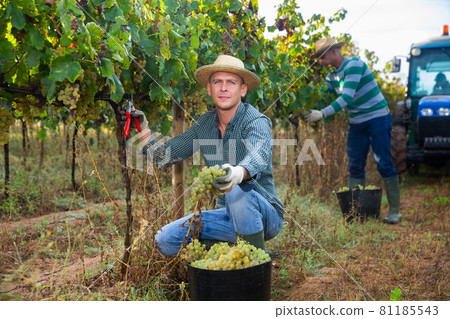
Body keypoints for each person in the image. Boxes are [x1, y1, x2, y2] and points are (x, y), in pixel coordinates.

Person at [128, 55, 284, 256]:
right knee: (165, 239)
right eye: (217, 82)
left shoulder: (255, 121)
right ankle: (225, 254)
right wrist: (142, 129)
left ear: (243, 89)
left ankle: (256, 265)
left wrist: (237, 173)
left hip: (266, 216)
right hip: (227, 214)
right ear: (209, 89)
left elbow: (259, 154)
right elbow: (166, 154)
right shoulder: (204, 124)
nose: (223, 88)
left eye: (231, 82)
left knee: (237, 191)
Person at [305, 37, 402, 224]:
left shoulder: (354, 65)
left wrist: (321, 114)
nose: (321, 62)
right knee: (355, 166)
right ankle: (356, 212)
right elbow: (324, 99)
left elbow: (346, 99)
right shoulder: (331, 78)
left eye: (322, 57)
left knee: (384, 162)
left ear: (334, 51)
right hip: (357, 122)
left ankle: (395, 211)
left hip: (378, 118)